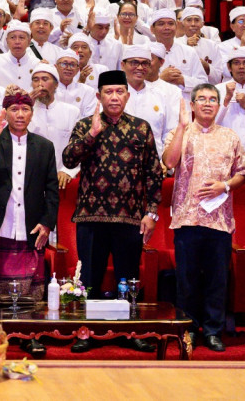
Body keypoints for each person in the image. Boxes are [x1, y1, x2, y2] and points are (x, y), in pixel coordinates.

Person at [61, 70, 163, 354]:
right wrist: (93, 133)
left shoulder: (141, 128)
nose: (114, 97)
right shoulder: (85, 125)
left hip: (130, 217)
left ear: (127, 96)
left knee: (128, 278)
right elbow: (68, 159)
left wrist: (151, 212)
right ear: (99, 96)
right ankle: (85, 331)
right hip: (91, 217)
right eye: (109, 92)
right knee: (89, 278)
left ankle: (130, 332)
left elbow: (154, 173)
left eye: (120, 91)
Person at [0, 85, 58, 357]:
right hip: (1, 222)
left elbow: (51, 189)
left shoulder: (44, 146)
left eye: (25, 109)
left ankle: (31, 335)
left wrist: (47, 223)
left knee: (31, 285)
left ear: (32, 113)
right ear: (5, 113)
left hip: (31, 224)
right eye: (14, 109)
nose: (20, 114)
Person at [162, 84, 245, 352]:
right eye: (202, 99)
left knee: (216, 279)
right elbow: (170, 162)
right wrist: (181, 126)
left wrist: (226, 186)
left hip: (220, 220)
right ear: (193, 104)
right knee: (186, 279)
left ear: (219, 105)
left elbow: (242, 172)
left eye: (213, 99)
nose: (207, 103)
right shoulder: (180, 133)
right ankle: (188, 329)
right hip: (187, 218)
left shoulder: (230, 136)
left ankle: (212, 331)